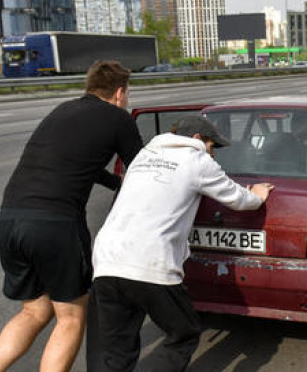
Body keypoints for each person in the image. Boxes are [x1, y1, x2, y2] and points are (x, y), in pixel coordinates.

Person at [0, 60, 143, 372]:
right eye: (128, 94)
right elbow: (142, 168)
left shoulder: (62, 110)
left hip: (11, 217)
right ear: (119, 92)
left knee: (34, 310)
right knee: (70, 317)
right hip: (55, 224)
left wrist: (113, 182)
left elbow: (70, 160)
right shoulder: (118, 118)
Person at [87, 116, 274, 372]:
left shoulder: (143, 156)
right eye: (211, 147)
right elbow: (237, 198)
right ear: (197, 140)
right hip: (151, 262)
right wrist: (257, 196)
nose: (213, 155)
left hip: (107, 261)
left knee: (115, 349)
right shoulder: (197, 161)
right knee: (183, 333)